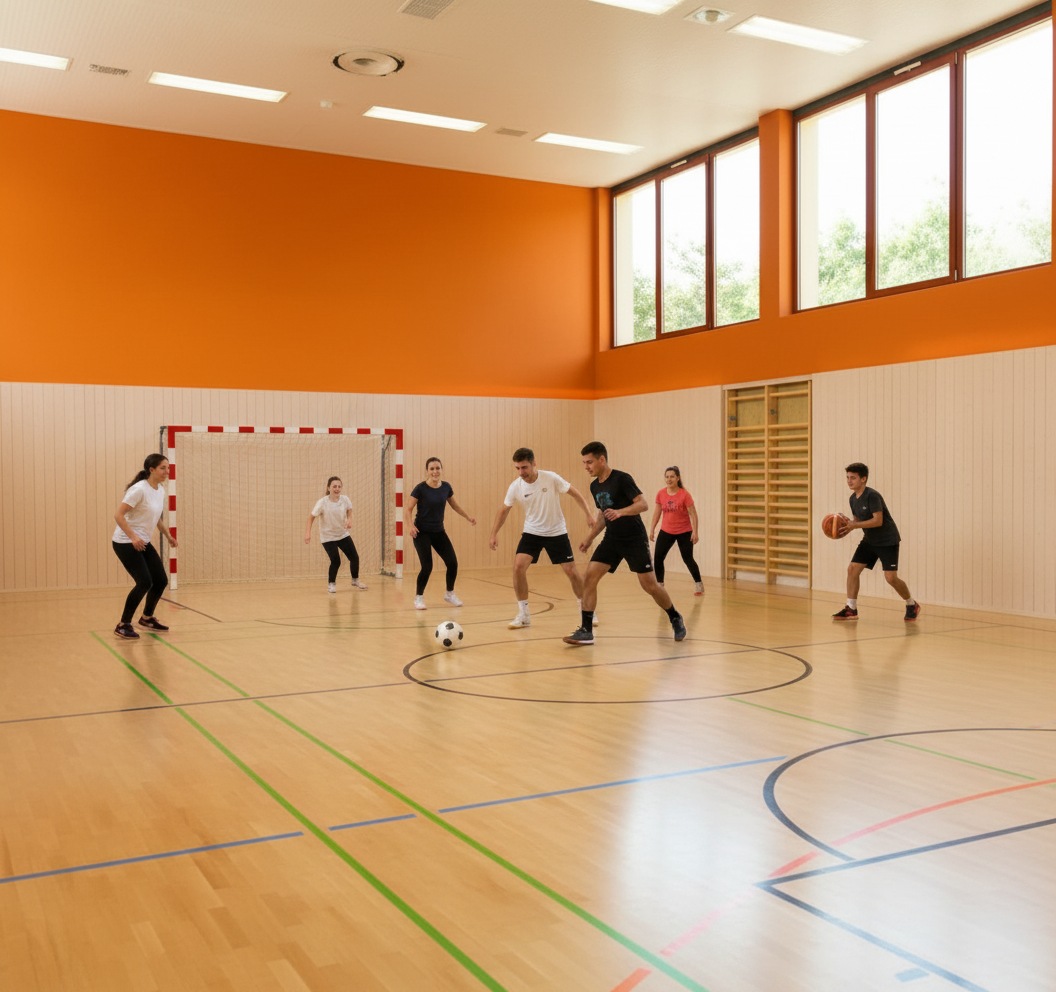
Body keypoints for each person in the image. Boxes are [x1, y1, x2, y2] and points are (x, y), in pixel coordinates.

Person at [564, 442, 686, 646]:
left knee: (649, 585)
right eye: (584, 463)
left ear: (602, 459)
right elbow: (603, 515)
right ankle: (586, 630)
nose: (586, 467)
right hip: (612, 539)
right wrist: (589, 538)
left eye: (589, 462)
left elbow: (643, 504)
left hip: (633, 538)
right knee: (589, 578)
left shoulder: (622, 479)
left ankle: (674, 616)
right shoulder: (595, 486)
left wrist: (621, 511)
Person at [489, 447, 597, 629]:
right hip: (532, 532)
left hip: (556, 531)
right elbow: (504, 510)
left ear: (534, 464)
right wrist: (494, 534)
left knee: (571, 571)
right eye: (517, 468)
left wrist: (588, 515)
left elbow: (575, 493)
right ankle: (524, 615)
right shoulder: (516, 486)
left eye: (524, 467)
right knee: (518, 567)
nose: (521, 472)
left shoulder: (551, 478)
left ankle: (587, 611)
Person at [832, 462, 920, 622]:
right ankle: (851, 609)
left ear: (863, 479)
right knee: (852, 569)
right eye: (847, 478)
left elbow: (877, 521)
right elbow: (858, 520)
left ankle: (911, 604)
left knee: (891, 578)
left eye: (853, 478)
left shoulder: (872, 495)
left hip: (887, 540)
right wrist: (848, 526)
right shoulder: (853, 499)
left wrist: (855, 525)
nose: (849, 481)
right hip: (870, 540)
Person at [111, 453, 178, 639]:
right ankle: (123, 624)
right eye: (163, 468)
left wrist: (168, 536)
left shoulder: (159, 490)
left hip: (142, 542)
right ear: (152, 470)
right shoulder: (138, 489)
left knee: (160, 581)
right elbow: (119, 516)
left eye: (168, 468)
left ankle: (147, 618)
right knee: (144, 582)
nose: (167, 472)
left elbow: (156, 518)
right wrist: (133, 537)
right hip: (125, 542)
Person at [405, 457, 476, 609]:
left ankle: (449, 594)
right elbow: (408, 509)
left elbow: (454, 505)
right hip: (421, 532)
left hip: (438, 532)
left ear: (441, 470)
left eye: (437, 468)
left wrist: (468, 517)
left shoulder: (446, 488)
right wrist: (410, 526)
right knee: (427, 566)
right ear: (427, 471)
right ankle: (419, 597)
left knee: (452, 563)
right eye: (432, 469)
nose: (435, 471)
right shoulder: (420, 488)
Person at [304, 476, 368, 593]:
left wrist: (349, 520)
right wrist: (308, 533)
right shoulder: (322, 502)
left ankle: (355, 580)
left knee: (354, 557)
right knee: (336, 560)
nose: (337, 489)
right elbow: (310, 517)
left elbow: (350, 511)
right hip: (328, 537)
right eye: (334, 486)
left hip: (342, 534)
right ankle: (331, 584)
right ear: (329, 488)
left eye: (339, 486)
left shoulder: (345, 499)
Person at [649, 466, 704, 596]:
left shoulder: (685, 495)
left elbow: (693, 514)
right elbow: (657, 512)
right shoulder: (661, 494)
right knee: (658, 557)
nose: (669, 479)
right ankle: (660, 584)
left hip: (684, 531)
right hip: (666, 531)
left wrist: (695, 532)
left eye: (672, 476)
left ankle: (698, 583)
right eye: (667, 477)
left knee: (688, 559)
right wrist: (652, 529)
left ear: (678, 478)